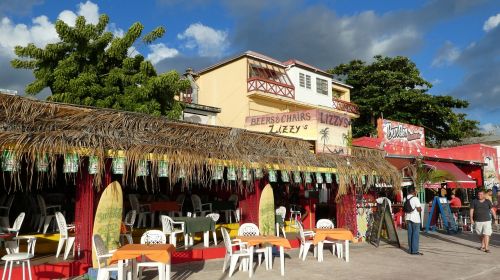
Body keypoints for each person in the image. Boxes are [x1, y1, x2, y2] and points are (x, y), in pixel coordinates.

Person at [404, 187, 422, 255]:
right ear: (413, 192)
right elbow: (419, 209)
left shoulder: (405, 198)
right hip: (415, 218)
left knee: (410, 234)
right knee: (415, 235)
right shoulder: (415, 198)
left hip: (408, 218)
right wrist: (420, 209)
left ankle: (410, 250)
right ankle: (414, 251)